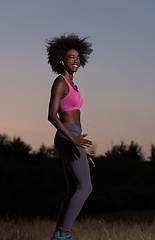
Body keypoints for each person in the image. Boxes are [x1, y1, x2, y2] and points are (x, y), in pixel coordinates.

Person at [46, 33, 95, 240]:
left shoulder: (74, 85)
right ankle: (63, 234)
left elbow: (78, 118)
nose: (76, 60)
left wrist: (81, 149)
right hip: (67, 135)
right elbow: (51, 115)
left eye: (77, 57)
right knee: (85, 188)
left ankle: (58, 234)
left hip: (73, 137)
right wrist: (72, 139)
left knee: (73, 188)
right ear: (61, 60)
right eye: (71, 57)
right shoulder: (60, 82)